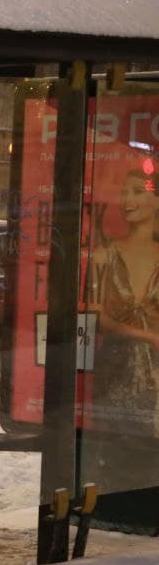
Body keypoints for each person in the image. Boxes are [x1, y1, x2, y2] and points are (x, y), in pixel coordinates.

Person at [90, 168, 159, 436]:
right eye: (124, 193)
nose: (127, 200)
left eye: (138, 192)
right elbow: (96, 316)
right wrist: (147, 335)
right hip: (115, 374)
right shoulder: (104, 256)